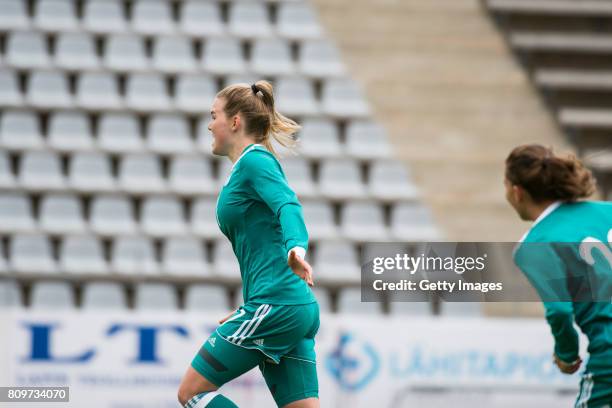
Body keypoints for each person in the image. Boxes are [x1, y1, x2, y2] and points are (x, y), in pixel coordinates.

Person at [177, 81, 320, 408]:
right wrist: (249, 308)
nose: (209, 124)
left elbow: (288, 204)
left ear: (235, 121)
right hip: (285, 306)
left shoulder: (256, 161)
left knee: (192, 393)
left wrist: (296, 249)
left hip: (277, 305)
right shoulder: (247, 168)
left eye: (214, 116)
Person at [505, 144, 612, 408]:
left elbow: (559, 310)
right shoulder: (607, 211)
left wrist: (566, 354)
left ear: (517, 192)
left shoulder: (535, 243)